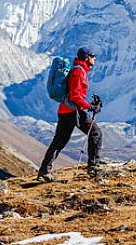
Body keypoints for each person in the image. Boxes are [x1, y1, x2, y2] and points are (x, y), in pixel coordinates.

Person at [37, 47, 103, 181]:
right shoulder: (79, 72)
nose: (94, 58)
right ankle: (93, 167)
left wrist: (88, 105)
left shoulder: (77, 70)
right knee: (95, 133)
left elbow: (73, 94)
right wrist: (89, 106)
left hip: (64, 110)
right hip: (73, 111)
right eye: (93, 56)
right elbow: (75, 95)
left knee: (59, 142)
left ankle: (44, 172)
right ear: (86, 57)